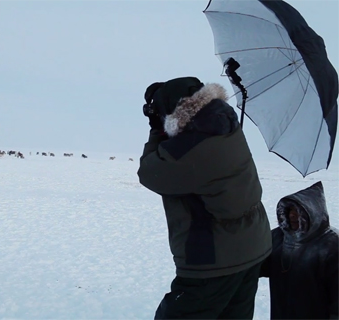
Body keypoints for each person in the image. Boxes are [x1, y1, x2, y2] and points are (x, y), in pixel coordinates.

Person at [137, 77, 272, 319]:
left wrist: (157, 129)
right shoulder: (225, 125)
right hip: (251, 247)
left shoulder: (192, 145)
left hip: (215, 259)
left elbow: (149, 173)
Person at [260, 181, 338, 319]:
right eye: (290, 210)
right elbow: (258, 265)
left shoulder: (331, 245)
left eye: (298, 211)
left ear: (313, 212)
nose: (292, 215)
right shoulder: (277, 237)